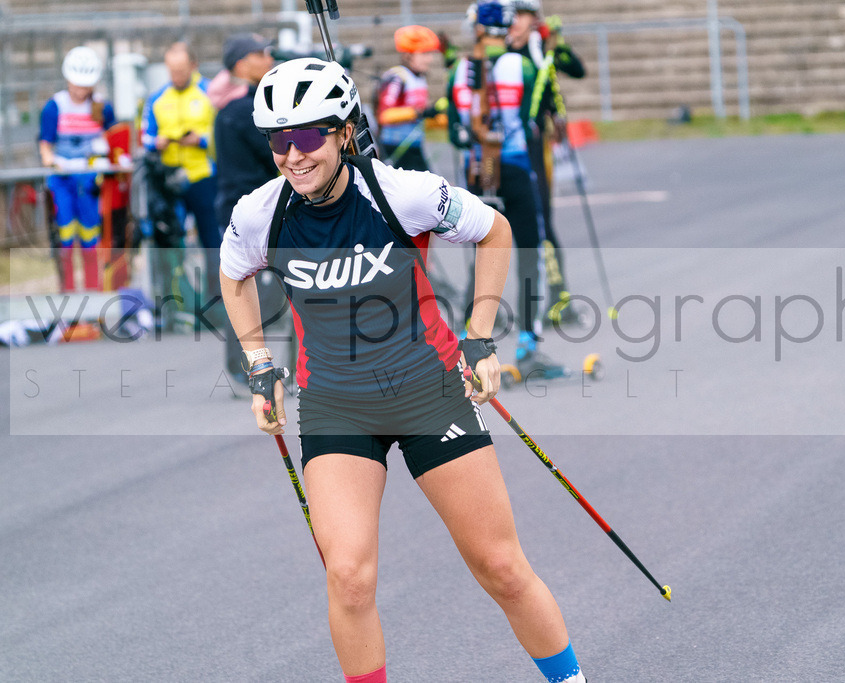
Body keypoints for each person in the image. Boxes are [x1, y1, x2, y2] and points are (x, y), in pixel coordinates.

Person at [219, 56, 585, 683]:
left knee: (500, 566)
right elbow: (234, 277)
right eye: (278, 140)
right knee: (348, 577)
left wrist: (479, 337)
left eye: (307, 135)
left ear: (344, 133)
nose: (293, 155)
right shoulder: (260, 213)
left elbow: (495, 231)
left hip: (429, 393)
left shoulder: (401, 193)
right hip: (337, 404)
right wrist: (259, 366)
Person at [449, 1, 567, 377]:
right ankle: (528, 344)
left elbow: (454, 130)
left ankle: (467, 345)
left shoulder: (460, 69)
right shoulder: (524, 66)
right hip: (514, 166)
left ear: (477, 30)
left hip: (478, 172)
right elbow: (535, 116)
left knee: (481, 255)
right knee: (529, 251)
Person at [506, 0, 587, 327]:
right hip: (504, 149)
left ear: (533, 19)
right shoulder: (501, 52)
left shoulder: (541, 48)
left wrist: (558, 43)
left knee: (542, 219)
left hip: (536, 146)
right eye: (512, 16)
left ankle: (559, 298)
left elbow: (577, 70)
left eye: (522, 16)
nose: (515, 22)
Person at [213, 33, 280, 390]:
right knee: (248, 291)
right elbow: (275, 154)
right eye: (259, 53)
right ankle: (245, 368)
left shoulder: (237, 103)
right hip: (248, 210)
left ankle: (248, 368)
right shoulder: (243, 108)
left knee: (256, 289)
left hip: (248, 205)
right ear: (241, 64)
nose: (268, 58)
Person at [141, 43, 220, 306]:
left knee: (212, 240)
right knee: (172, 242)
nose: (176, 76)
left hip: (203, 178)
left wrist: (200, 140)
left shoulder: (210, 92)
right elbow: (145, 137)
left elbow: (222, 133)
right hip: (170, 182)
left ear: (193, 66)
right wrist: (157, 143)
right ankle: (177, 301)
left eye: (181, 71)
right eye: (172, 71)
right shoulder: (157, 98)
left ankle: (217, 300)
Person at [38, 46, 116, 291]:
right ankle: (68, 294)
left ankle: (93, 292)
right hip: (62, 180)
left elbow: (113, 139)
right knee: (65, 237)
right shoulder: (54, 107)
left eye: (86, 85)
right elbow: (45, 145)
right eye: (77, 84)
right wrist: (51, 161)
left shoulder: (102, 107)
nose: (81, 90)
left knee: (91, 237)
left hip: (90, 181)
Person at [376, 25, 444, 172]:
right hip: (395, 147)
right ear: (408, 55)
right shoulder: (397, 77)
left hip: (414, 146)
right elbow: (385, 116)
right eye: (424, 53)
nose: (430, 59)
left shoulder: (420, 78)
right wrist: (419, 112)